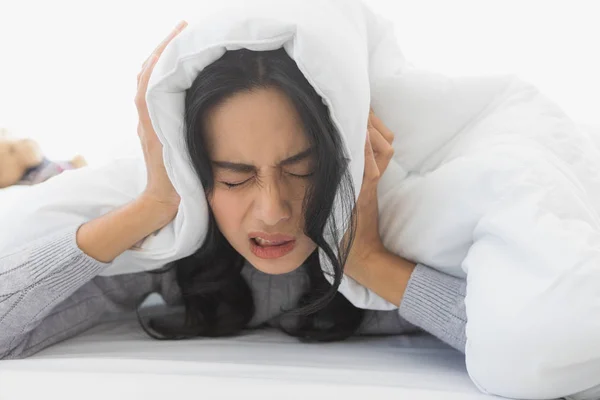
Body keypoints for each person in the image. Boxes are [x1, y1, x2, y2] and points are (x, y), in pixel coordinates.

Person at [0, 21, 466, 358]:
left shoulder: (408, 231)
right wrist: (154, 204)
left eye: (302, 169)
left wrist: (365, 258)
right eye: (234, 177)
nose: (272, 212)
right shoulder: (176, 256)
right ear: (195, 173)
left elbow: (528, 351)